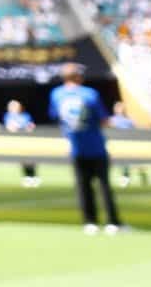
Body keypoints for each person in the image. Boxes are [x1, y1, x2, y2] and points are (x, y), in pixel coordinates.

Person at [48, 64, 123, 234]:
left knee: (83, 187)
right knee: (104, 186)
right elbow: (102, 119)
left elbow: (56, 116)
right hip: (96, 145)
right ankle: (113, 222)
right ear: (78, 77)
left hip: (75, 146)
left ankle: (90, 222)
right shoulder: (89, 94)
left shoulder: (56, 94)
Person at [2, 98, 36, 188]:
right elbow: (9, 128)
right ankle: (26, 177)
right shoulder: (7, 116)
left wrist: (27, 128)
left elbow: (30, 126)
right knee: (22, 161)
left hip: (27, 141)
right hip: (17, 142)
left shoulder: (25, 116)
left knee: (31, 160)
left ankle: (33, 176)